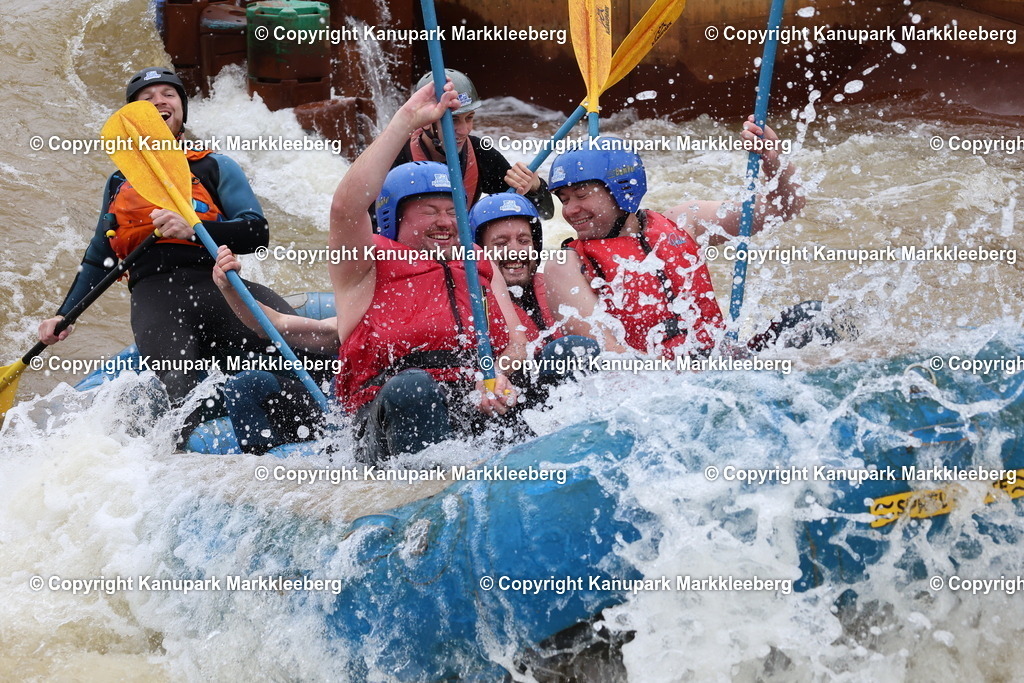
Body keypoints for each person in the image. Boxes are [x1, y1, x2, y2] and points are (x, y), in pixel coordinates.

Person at [37, 66, 303, 437]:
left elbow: (256, 233)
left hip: (220, 286)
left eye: (168, 94)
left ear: (181, 108)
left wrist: (194, 229)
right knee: (182, 392)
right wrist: (64, 315)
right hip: (157, 299)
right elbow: (100, 256)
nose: (159, 101)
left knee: (305, 352)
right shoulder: (118, 183)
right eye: (146, 99)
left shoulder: (214, 165)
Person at [330, 79, 530, 464]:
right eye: (430, 211)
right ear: (394, 216)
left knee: (568, 356)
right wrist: (406, 120)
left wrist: (493, 375)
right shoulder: (366, 262)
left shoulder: (476, 260)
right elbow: (345, 208)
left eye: (453, 210)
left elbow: (516, 342)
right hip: (390, 415)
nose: (446, 221)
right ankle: (429, 495)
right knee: (413, 387)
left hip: (474, 401)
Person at [544, 119, 807, 359]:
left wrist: (773, 161)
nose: (570, 210)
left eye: (581, 195)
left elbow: (783, 208)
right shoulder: (565, 266)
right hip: (655, 382)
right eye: (564, 200)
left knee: (807, 318)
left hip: (718, 359)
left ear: (621, 188)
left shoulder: (684, 221)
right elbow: (610, 358)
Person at [392, 69, 555, 219]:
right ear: (427, 121)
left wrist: (534, 188)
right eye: (453, 120)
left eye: (469, 117)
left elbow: (545, 214)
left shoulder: (480, 153)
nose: (464, 130)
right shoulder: (396, 158)